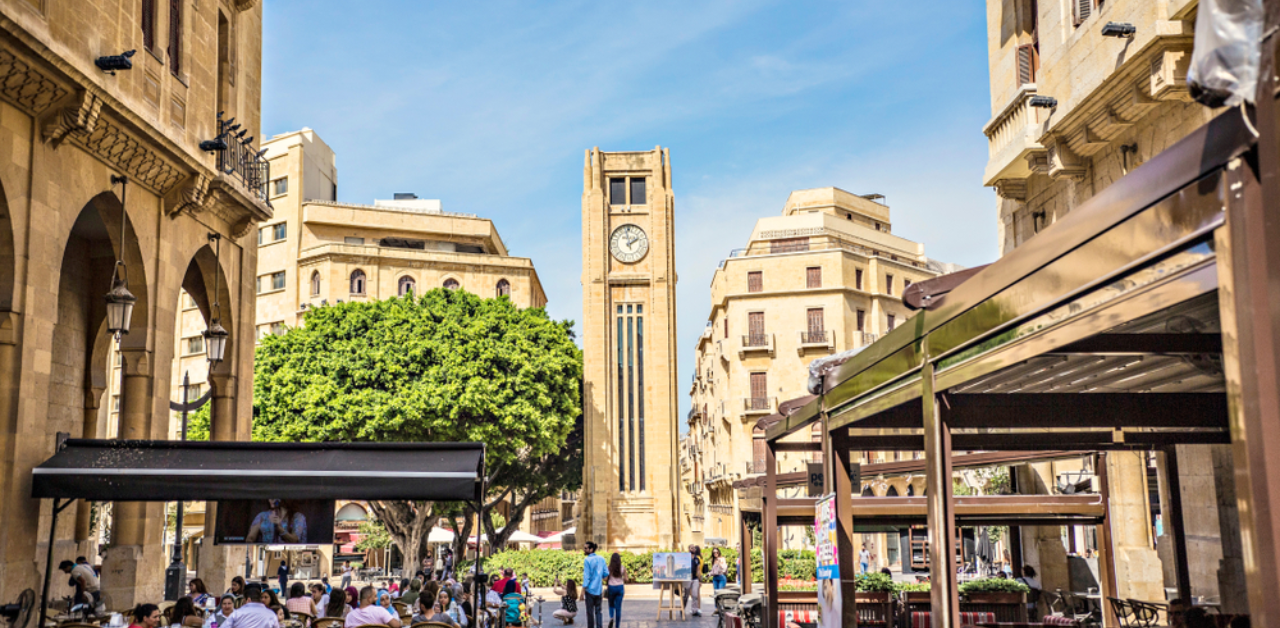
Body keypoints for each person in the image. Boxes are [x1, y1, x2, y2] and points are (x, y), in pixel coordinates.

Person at [581, 542, 606, 628]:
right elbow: (606, 574)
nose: (584, 550)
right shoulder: (601, 559)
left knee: (590, 612)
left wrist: (583, 591)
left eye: (586, 548)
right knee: (598, 611)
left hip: (590, 590)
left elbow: (586, 576)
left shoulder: (587, 560)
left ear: (591, 549)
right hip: (598, 590)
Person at [605, 553, 625, 628]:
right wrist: (621, 578)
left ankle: (611, 618)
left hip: (611, 588)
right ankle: (617, 626)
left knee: (611, 605)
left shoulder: (609, 568)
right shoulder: (623, 568)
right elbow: (626, 579)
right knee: (618, 608)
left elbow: (606, 578)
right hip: (620, 588)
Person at [684, 545, 702, 617]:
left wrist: (700, 580)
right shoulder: (685, 558)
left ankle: (694, 610)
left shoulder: (696, 559)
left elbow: (698, 570)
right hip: (687, 579)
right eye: (691, 548)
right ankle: (682, 608)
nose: (693, 549)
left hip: (695, 579)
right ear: (688, 549)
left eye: (694, 548)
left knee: (695, 595)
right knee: (686, 596)